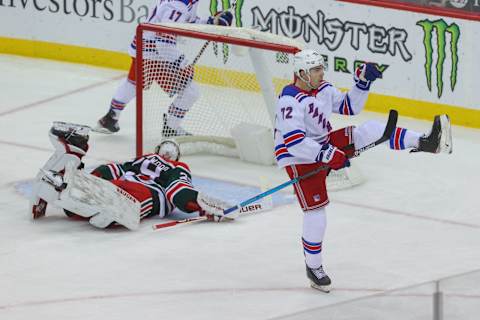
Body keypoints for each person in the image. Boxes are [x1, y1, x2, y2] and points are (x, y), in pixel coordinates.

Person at [274, 49, 452, 292]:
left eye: (320, 68)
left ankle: (426, 142)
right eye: (316, 70)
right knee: (316, 212)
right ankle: (314, 268)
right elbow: (294, 141)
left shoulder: (323, 89)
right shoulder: (289, 99)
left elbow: (350, 107)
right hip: (297, 157)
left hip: (321, 144)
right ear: (302, 73)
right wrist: (326, 154)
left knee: (367, 130)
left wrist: (363, 83)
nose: (321, 73)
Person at [30, 122, 229, 229]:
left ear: (176, 155)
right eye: (165, 147)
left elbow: (178, 189)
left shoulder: (176, 166)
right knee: (79, 207)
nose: (168, 151)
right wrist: (94, 178)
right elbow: (118, 169)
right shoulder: (149, 160)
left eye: (171, 149)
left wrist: (197, 203)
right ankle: (70, 177)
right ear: (158, 149)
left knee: (102, 202)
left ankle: (70, 168)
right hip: (128, 189)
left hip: (144, 192)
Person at [94, 0, 233, 136]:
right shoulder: (177, 6)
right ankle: (171, 127)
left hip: (143, 46)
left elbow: (186, 21)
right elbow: (164, 45)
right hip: (154, 52)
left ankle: (110, 118)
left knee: (135, 83)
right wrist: (183, 64)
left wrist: (210, 23)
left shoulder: (186, 3)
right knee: (190, 91)